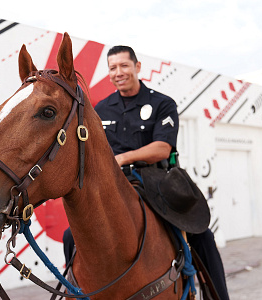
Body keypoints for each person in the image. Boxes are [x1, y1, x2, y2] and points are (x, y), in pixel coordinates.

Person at [63, 45, 229, 300]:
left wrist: (122, 158)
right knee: (70, 236)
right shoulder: (101, 110)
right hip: (117, 184)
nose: (118, 72)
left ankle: (217, 295)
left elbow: (162, 149)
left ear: (137, 67)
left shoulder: (162, 103)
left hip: (159, 183)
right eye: (113, 68)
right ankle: (75, 290)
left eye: (124, 65)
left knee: (201, 234)